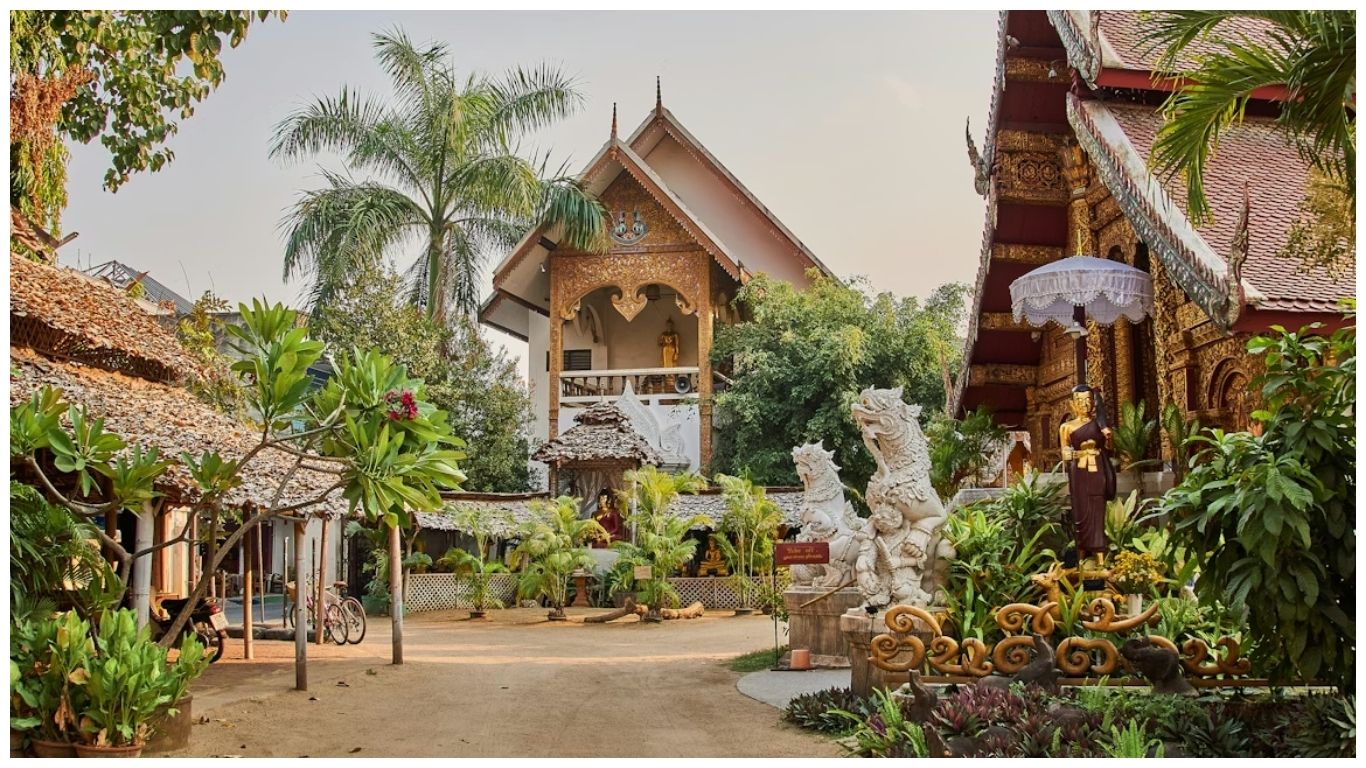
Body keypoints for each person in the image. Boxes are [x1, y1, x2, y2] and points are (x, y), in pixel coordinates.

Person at [1058, 385, 1117, 567]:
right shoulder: (1067, 427)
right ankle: (1081, 555)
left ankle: (1100, 557)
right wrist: (1081, 452)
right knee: (1080, 512)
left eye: (1088, 400)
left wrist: (1109, 437)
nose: (1085, 404)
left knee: (1097, 512)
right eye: (1080, 401)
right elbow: (1065, 454)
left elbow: (1110, 449)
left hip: (1097, 471)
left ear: (1093, 402)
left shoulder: (1099, 424)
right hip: (1079, 474)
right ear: (1072, 404)